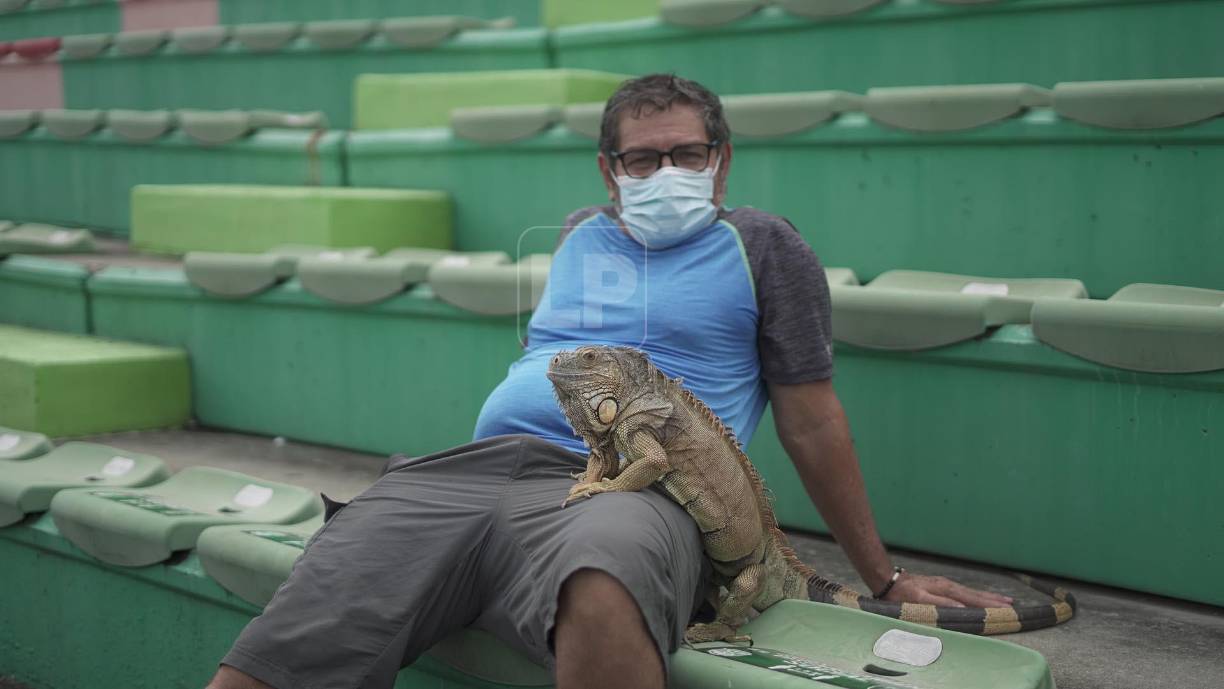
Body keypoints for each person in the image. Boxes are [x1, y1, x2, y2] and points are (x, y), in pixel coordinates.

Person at [207, 74, 1011, 689]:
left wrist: (883, 576)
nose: (667, 171)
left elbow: (812, 419)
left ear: (721, 161)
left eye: (687, 153)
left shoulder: (765, 245)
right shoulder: (575, 234)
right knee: (325, 584)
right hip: (479, 468)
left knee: (602, 583)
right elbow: (545, 365)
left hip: (641, 485)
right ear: (609, 170)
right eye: (643, 158)